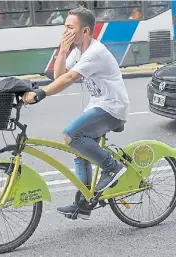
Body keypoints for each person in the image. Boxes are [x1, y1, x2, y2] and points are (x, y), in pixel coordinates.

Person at [22, 6, 130, 220]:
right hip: (98, 105)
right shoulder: (77, 51)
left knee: (71, 135)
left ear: (86, 31)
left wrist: (41, 94)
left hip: (112, 107)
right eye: (65, 28)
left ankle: (113, 168)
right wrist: (62, 50)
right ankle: (84, 203)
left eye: (70, 28)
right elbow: (59, 76)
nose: (66, 32)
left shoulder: (95, 52)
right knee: (79, 152)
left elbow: (69, 79)